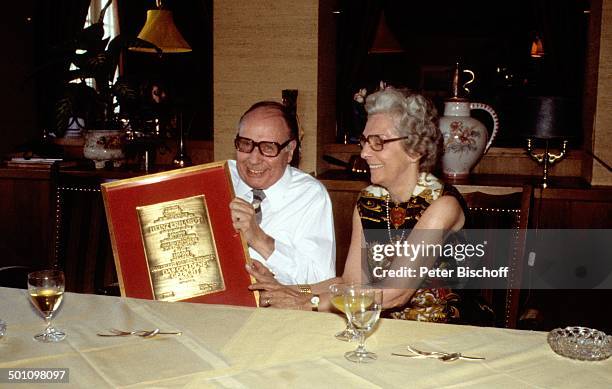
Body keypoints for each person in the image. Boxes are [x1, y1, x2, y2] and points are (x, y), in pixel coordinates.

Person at [248, 88, 470, 322]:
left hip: (447, 339)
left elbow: (395, 294)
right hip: (386, 329)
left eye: (377, 142)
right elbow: (351, 284)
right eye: (364, 141)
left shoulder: (442, 206)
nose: (364, 153)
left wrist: (305, 303)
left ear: (414, 150)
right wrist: (286, 289)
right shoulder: (369, 202)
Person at [229, 101, 336, 285]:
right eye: (246, 144)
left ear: (290, 151)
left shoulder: (310, 196)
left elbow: (322, 286)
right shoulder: (220, 180)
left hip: (280, 312)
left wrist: (259, 238)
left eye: (268, 148)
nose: (254, 159)